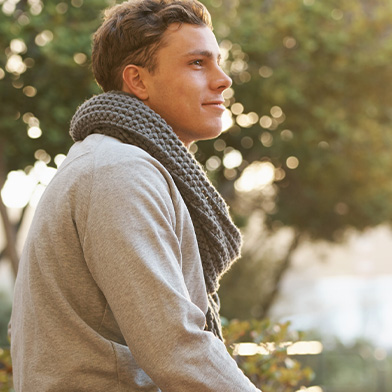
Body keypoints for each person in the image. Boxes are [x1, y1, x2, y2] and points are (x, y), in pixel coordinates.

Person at [10, 0, 262, 391]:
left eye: (218, 61)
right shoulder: (118, 172)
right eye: (198, 63)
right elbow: (176, 347)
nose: (223, 79)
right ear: (138, 81)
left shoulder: (115, 163)